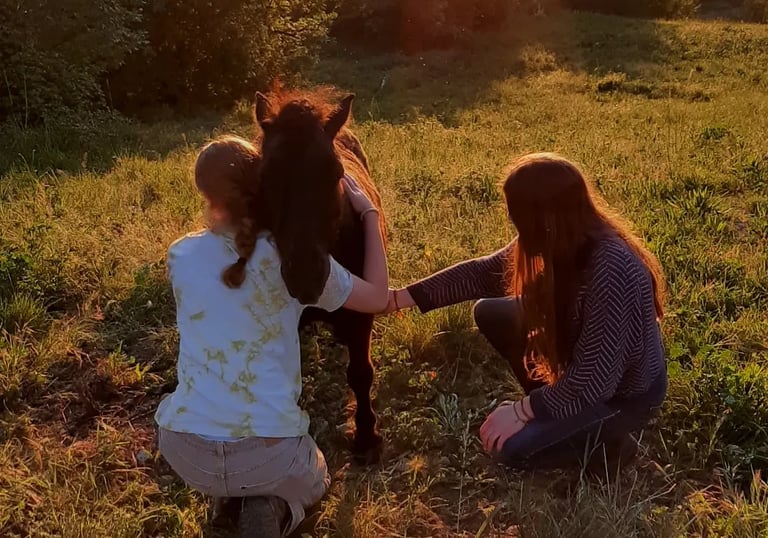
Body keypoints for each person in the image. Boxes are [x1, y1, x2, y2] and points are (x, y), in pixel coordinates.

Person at [154, 136, 388, 537]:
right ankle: (272, 506)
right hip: (268, 456)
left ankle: (226, 496)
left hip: (183, 451)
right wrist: (369, 215)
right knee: (317, 474)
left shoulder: (178, 254)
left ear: (204, 193)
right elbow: (379, 298)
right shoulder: (293, 261)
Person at [385, 153, 667, 473]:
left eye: (517, 216)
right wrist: (398, 299)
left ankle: (612, 445)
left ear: (545, 217)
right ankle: (555, 410)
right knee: (491, 312)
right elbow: (485, 273)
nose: (513, 223)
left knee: (512, 450)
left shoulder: (612, 271)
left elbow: (594, 383)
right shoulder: (562, 236)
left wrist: (523, 411)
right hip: (587, 374)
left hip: (622, 396)